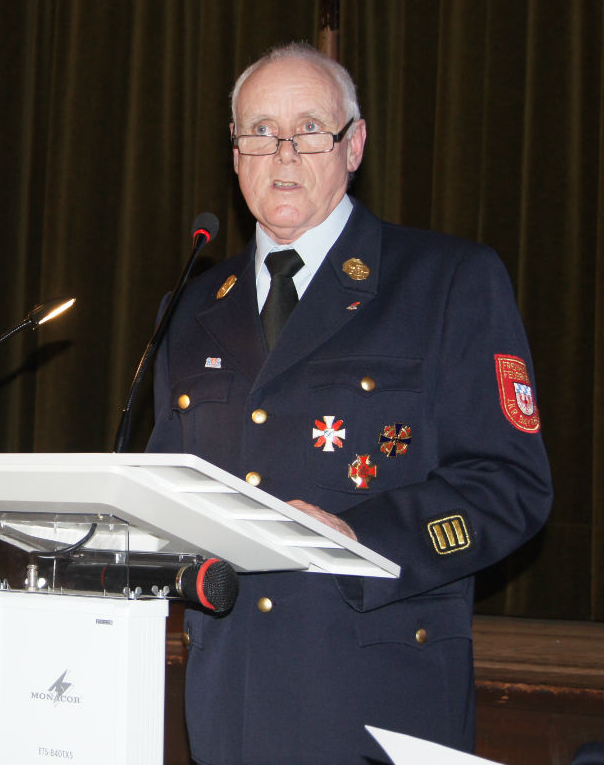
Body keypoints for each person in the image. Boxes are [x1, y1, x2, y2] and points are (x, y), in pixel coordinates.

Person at [146, 43, 553, 764]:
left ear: (354, 144)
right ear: (235, 154)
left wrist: (362, 538)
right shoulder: (195, 306)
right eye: (258, 133)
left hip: (374, 697)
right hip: (227, 701)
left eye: (310, 130)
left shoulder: (447, 280)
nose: (283, 155)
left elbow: (510, 485)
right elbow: (163, 485)